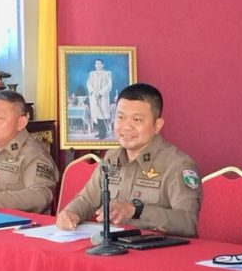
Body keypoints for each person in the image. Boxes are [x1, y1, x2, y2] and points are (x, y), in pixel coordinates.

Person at [57, 83, 202, 236]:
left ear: (157, 125)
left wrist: (136, 210)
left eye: (137, 120)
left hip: (158, 247)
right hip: (113, 245)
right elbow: (87, 199)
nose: (126, 127)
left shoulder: (178, 165)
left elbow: (187, 222)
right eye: (120, 117)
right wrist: (71, 212)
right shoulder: (111, 157)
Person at [86, 59, 113, 138]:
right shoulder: (91, 74)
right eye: (96, 64)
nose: (97, 65)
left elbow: (109, 85)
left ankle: (103, 133)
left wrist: (100, 93)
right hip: (94, 97)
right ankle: (100, 131)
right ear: (95, 65)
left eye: (99, 64)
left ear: (102, 65)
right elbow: (89, 84)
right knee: (96, 115)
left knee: (102, 114)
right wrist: (94, 92)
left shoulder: (107, 73)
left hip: (103, 97)